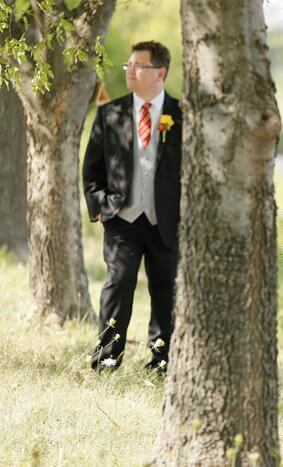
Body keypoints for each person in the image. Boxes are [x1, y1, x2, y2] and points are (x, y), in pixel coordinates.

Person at [83, 41, 181, 372]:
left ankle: (162, 361)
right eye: (129, 65)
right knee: (118, 284)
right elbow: (92, 169)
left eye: (138, 65)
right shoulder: (109, 114)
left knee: (166, 293)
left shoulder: (181, 116)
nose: (130, 70)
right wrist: (100, 207)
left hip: (166, 221)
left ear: (160, 73)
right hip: (122, 219)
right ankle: (107, 359)